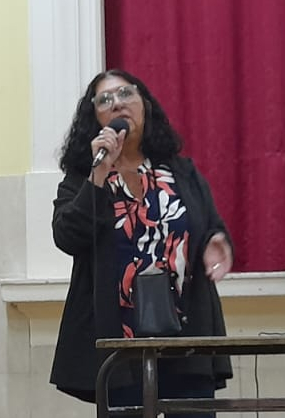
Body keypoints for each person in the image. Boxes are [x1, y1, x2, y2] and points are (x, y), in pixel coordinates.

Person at [50, 69, 234, 417]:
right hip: (121, 347)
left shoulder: (181, 173)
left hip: (186, 339)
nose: (117, 103)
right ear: (95, 119)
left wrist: (216, 241)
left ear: (144, 105)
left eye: (125, 94)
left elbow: (210, 226)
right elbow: (66, 235)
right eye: (105, 100)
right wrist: (98, 173)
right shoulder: (83, 179)